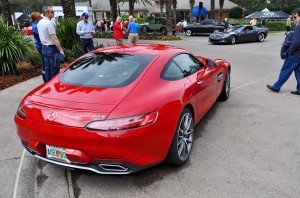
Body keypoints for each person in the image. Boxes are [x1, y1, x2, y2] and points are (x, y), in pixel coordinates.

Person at [267, 8, 300, 95]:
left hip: (295, 54)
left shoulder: (299, 26)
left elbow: (296, 41)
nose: (293, 19)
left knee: (285, 70)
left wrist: (290, 51)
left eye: (294, 17)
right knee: (299, 72)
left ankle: (276, 86)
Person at [37, 6, 64, 83]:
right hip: (51, 49)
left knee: (47, 68)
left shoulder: (40, 22)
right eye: (52, 12)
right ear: (47, 13)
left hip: (44, 48)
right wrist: (61, 50)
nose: (53, 13)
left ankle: (47, 85)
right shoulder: (49, 23)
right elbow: (54, 38)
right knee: (54, 69)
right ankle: (53, 86)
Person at [31, 11, 46, 83]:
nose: (41, 17)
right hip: (41, 46)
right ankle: (45, 78)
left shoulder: (35, 24)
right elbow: (40, 37)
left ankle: (45, 77)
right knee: (45, 62)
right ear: (37, 17)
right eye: (39, 16)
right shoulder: (36, 26)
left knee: (45, 62)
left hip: (40, 45)